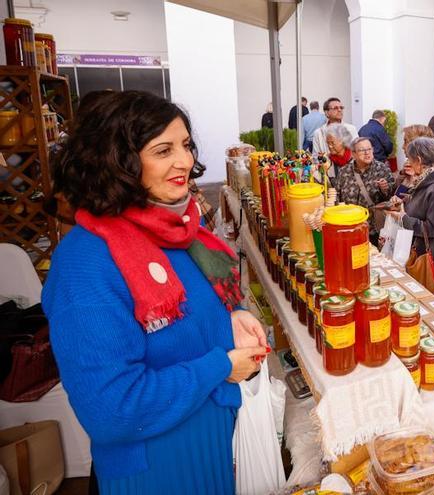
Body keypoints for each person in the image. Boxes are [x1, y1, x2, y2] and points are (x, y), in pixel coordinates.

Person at [43, 90, 269, 494]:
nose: (184, 161)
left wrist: (231, 317)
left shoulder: (180, 235)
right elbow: (111, 409)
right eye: (163, 150)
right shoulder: (86, 264)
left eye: (184, 146)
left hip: (213, 444)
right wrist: (220, 367)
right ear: (119, 162)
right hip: (154, 470)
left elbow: (186, 318)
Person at [387, 137, 434, 283]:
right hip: (417, 249)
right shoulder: (426, 180)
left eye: (409, 159)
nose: (408, 163)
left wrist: (403, 218)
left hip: (427, 255)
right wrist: (403, 203)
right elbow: (421, 206)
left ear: (418, 160)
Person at [336, 137, 394, 244]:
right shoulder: (344, 171)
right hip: (350, 227)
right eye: (362, 150)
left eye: (369, 149)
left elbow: (390, 198)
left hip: (373, 229)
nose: (367, 153)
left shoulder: (382, 169)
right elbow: (337, 197)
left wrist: (384, 189)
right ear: (353, 154)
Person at [393, 124, 434, 200]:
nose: (402, 147)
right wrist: (402, 174)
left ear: (417, 144)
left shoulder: (433, 178)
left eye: (405, 142)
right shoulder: (409, 166)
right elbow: (397, 196)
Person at [317, 123, 356, 188]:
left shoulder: (356, 159)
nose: (330, 146)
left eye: (332, 143)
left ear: (343, 141)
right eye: (328, 143)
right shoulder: (326, 161)